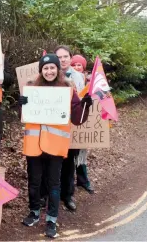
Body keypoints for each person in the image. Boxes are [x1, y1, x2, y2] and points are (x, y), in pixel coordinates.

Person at [18, 54, 92, 238]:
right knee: (34, 183)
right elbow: (24, 116)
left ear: (58, 69)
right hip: (34, 145)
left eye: (52, 68)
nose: (49, 71)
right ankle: (34, 212)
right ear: (41, 71)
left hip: (55, 146)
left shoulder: (67, 89)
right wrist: (21, 105)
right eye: (46, 68)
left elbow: (77, 118)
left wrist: (85, 105)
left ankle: (51, 218)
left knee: (54, 184)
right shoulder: (32, 88)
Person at [54, 45, 85, 211]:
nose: (63, 60)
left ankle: (68, 195)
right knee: (52, 162)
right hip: (54, 125)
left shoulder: (79, 76)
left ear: (70, 57)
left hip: (72, 124)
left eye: (65, 56)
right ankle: (51, 194)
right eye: (59, 57)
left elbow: (83, 96)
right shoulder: (50, 73)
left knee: (69, 162)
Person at [71, 54, 94, 194]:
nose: (76, 67)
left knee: (81, 154)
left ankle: (83, 180)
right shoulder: (66, 81)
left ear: (83, 68)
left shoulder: (91, 83)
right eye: (74, 65)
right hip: (71, 122)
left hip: (84, 123)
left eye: (79, 65)